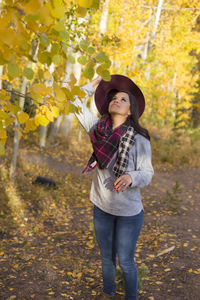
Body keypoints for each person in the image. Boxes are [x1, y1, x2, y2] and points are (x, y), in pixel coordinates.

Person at [72, 74, 154, 300]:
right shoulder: (97, 128)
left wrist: (130, 177)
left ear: (130, 110)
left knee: (126, 261)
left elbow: (147, 173)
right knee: (106, 257)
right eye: (114, 98)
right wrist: (90, 86)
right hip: (101, 208)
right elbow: (74, 103)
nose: (117, 100)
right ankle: (108, 293)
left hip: (129, 213)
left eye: (123, 99)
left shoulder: (139, 139)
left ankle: (131, 297)